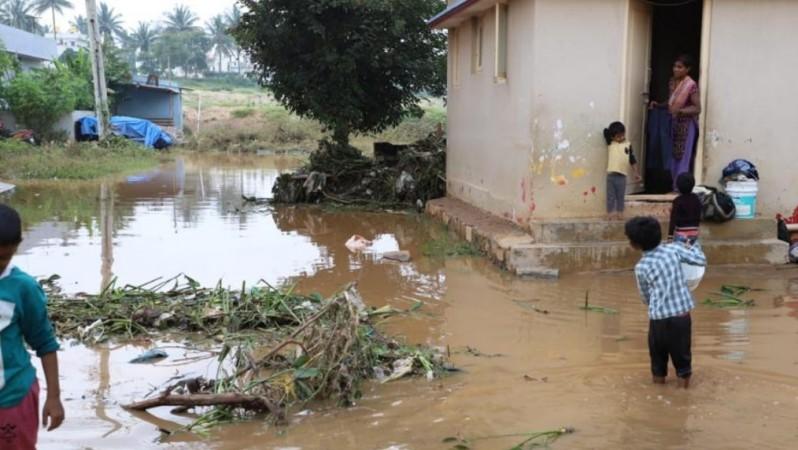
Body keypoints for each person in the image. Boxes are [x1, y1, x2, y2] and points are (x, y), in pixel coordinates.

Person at [0, 204, 64, 449]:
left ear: (17, 247)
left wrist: (54, 397)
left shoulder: (23, 288)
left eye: (3, 258)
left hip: (12, 397)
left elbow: (45, 343)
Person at [625, 216, 706, 389]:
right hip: (681, 319)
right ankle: (683, 393)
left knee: (658, 362)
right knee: (683, 362)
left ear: (634, 245)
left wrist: (656, 304)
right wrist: (691, 245)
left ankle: (658, 392)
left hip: (658, 321)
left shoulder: (641, 267)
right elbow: (700, 260)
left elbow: (645, 296)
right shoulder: (674, 249)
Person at [651, 55, 702, 192]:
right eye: (675, 66)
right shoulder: (672, 82)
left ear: (687, 69)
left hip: (686, 125)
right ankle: (675, 186)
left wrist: (681, 111)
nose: (676, 69)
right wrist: (659, 105)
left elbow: (697, 108)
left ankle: (681, 189)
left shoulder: (690, 85)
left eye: (680, 67)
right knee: (674, 157)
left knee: (683, 156)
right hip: (674, 124)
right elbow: (671, 103)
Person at [604, 121, 642, 220]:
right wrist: (613, 134)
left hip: (622, 176)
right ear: (612, 137)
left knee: (620, 196)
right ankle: (609, 213)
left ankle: (620, 213)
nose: (621, 138)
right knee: (610, 196)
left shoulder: (628, 145)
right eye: (618, 136)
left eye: (622, 135)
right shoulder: (610, 143)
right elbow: (605, 131)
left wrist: (636, 173)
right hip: (611, 176)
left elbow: (632, 160)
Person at [668, 173, 702, 243]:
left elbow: (673, 220)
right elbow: (699, 215)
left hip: (680, 233)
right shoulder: (696, 199)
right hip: (694, 233)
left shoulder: (677, 201)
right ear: (693, 185)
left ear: (678, 187)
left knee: (679, 249)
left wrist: (670, 236)